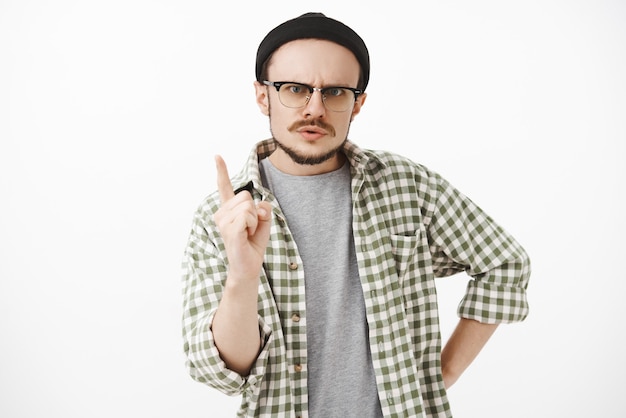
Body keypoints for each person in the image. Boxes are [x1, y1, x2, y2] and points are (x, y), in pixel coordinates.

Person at [181, 12, 530, 418]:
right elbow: (224, 372)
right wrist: (242, 274)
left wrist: (443, 371)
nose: (314, 108)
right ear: (263, 96)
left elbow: (504, 262)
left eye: (335, 92)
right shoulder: (219, 217)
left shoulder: (406, 185)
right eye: (294, 89)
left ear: (358, 102)